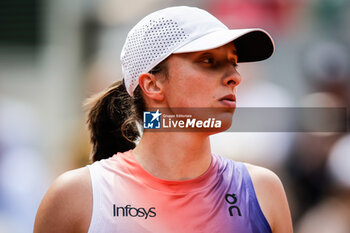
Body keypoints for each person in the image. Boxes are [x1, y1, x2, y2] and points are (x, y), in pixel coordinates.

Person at [34, 6, 292, 233]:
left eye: (233, 63)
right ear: (152, 85)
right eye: (209, 61)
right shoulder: (76, 197)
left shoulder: (262, 191)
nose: (235, 77)